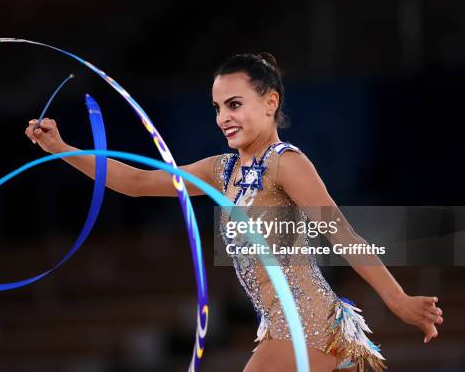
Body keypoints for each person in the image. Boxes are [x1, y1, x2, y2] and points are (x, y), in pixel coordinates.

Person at [24, 53, 443, 372]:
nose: (223, 117)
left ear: (269, 102)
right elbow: (135, 183)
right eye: (217, 107)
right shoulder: (220, 170)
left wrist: (398, 299)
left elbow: (342, 234)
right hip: (279, 327)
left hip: (309, 323)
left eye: (235, 104)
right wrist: (63, 149)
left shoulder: (287, 163)